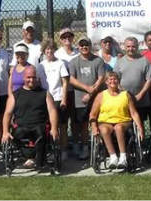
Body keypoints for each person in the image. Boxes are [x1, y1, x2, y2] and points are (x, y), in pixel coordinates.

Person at [1, 66, 60, 169]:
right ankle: (29, 157)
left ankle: (40, 162)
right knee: (19, 134)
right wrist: (5, 132)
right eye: (28, 77)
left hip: (39, 125)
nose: (31, 80)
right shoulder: (15, 95)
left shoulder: (44, 93)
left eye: (33, 77)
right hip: (21, 126)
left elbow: (52, 111)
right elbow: (7, 113)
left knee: (41, 135)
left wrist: (54, 128)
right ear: (23, 78)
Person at [88, 71, 145, 169]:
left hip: (123, 121)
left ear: (118, 81)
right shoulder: (101, 95)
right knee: (104, 130)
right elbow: (92, 114)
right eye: (110, 79)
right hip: (105, 121)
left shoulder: (125, 94)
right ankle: (113, 157)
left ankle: (123, 157)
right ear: (106, 82)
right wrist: (93, 127)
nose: (112, 81)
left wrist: (140, 127)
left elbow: (134, 113)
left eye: (115, 79)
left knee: (118, 128)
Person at [68, 37, 106, 160]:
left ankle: (101, 147)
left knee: (99, 122)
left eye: (86, 44)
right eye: (81, 45)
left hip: (97, 98)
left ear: (90, 45)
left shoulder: (98, 61)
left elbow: (101, 79)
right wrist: (86, 88)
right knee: (83, 125)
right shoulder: (73, 62)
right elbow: (72, 79)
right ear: (78, 47)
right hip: (79, 99)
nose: (84, 47)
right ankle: (84, 147)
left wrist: (90, 94)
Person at [36, 39, 70, 160]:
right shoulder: (41, 65)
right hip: (46, 99)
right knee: (49, 126)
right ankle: (52, 149)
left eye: (51, 49)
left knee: (62, 125)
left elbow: (65, 82)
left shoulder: (60, 63)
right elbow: (39, 81)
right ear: (44, 51)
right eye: (47, 49)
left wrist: (64, 99)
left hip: (58, 97)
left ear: (54, 50)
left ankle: (64, 150)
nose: (49, 51)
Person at [114, 36, 151, 135]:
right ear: (124, 47)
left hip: (141, 100)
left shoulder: (145, 60)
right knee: (126, 124)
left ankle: (142, 146)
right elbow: (115, 80)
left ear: (137, 47)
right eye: (128, 46)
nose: (130, 49)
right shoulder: (119, 61)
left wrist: (140, 94)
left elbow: (150, 79)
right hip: (124, 100)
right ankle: (129, 146)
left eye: (133, 46)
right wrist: (124, 94)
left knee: (140, 124)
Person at [53, 28, 79, 159]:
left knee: (75, 120)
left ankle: (75, 144)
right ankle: (63, 147)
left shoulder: (78, 53)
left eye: (69, 36)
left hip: (76, 92)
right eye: (64, 37)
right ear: (61, 39)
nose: (67, 39)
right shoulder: (57, 54)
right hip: (62, 92)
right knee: (62, 122)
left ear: (72, 37)